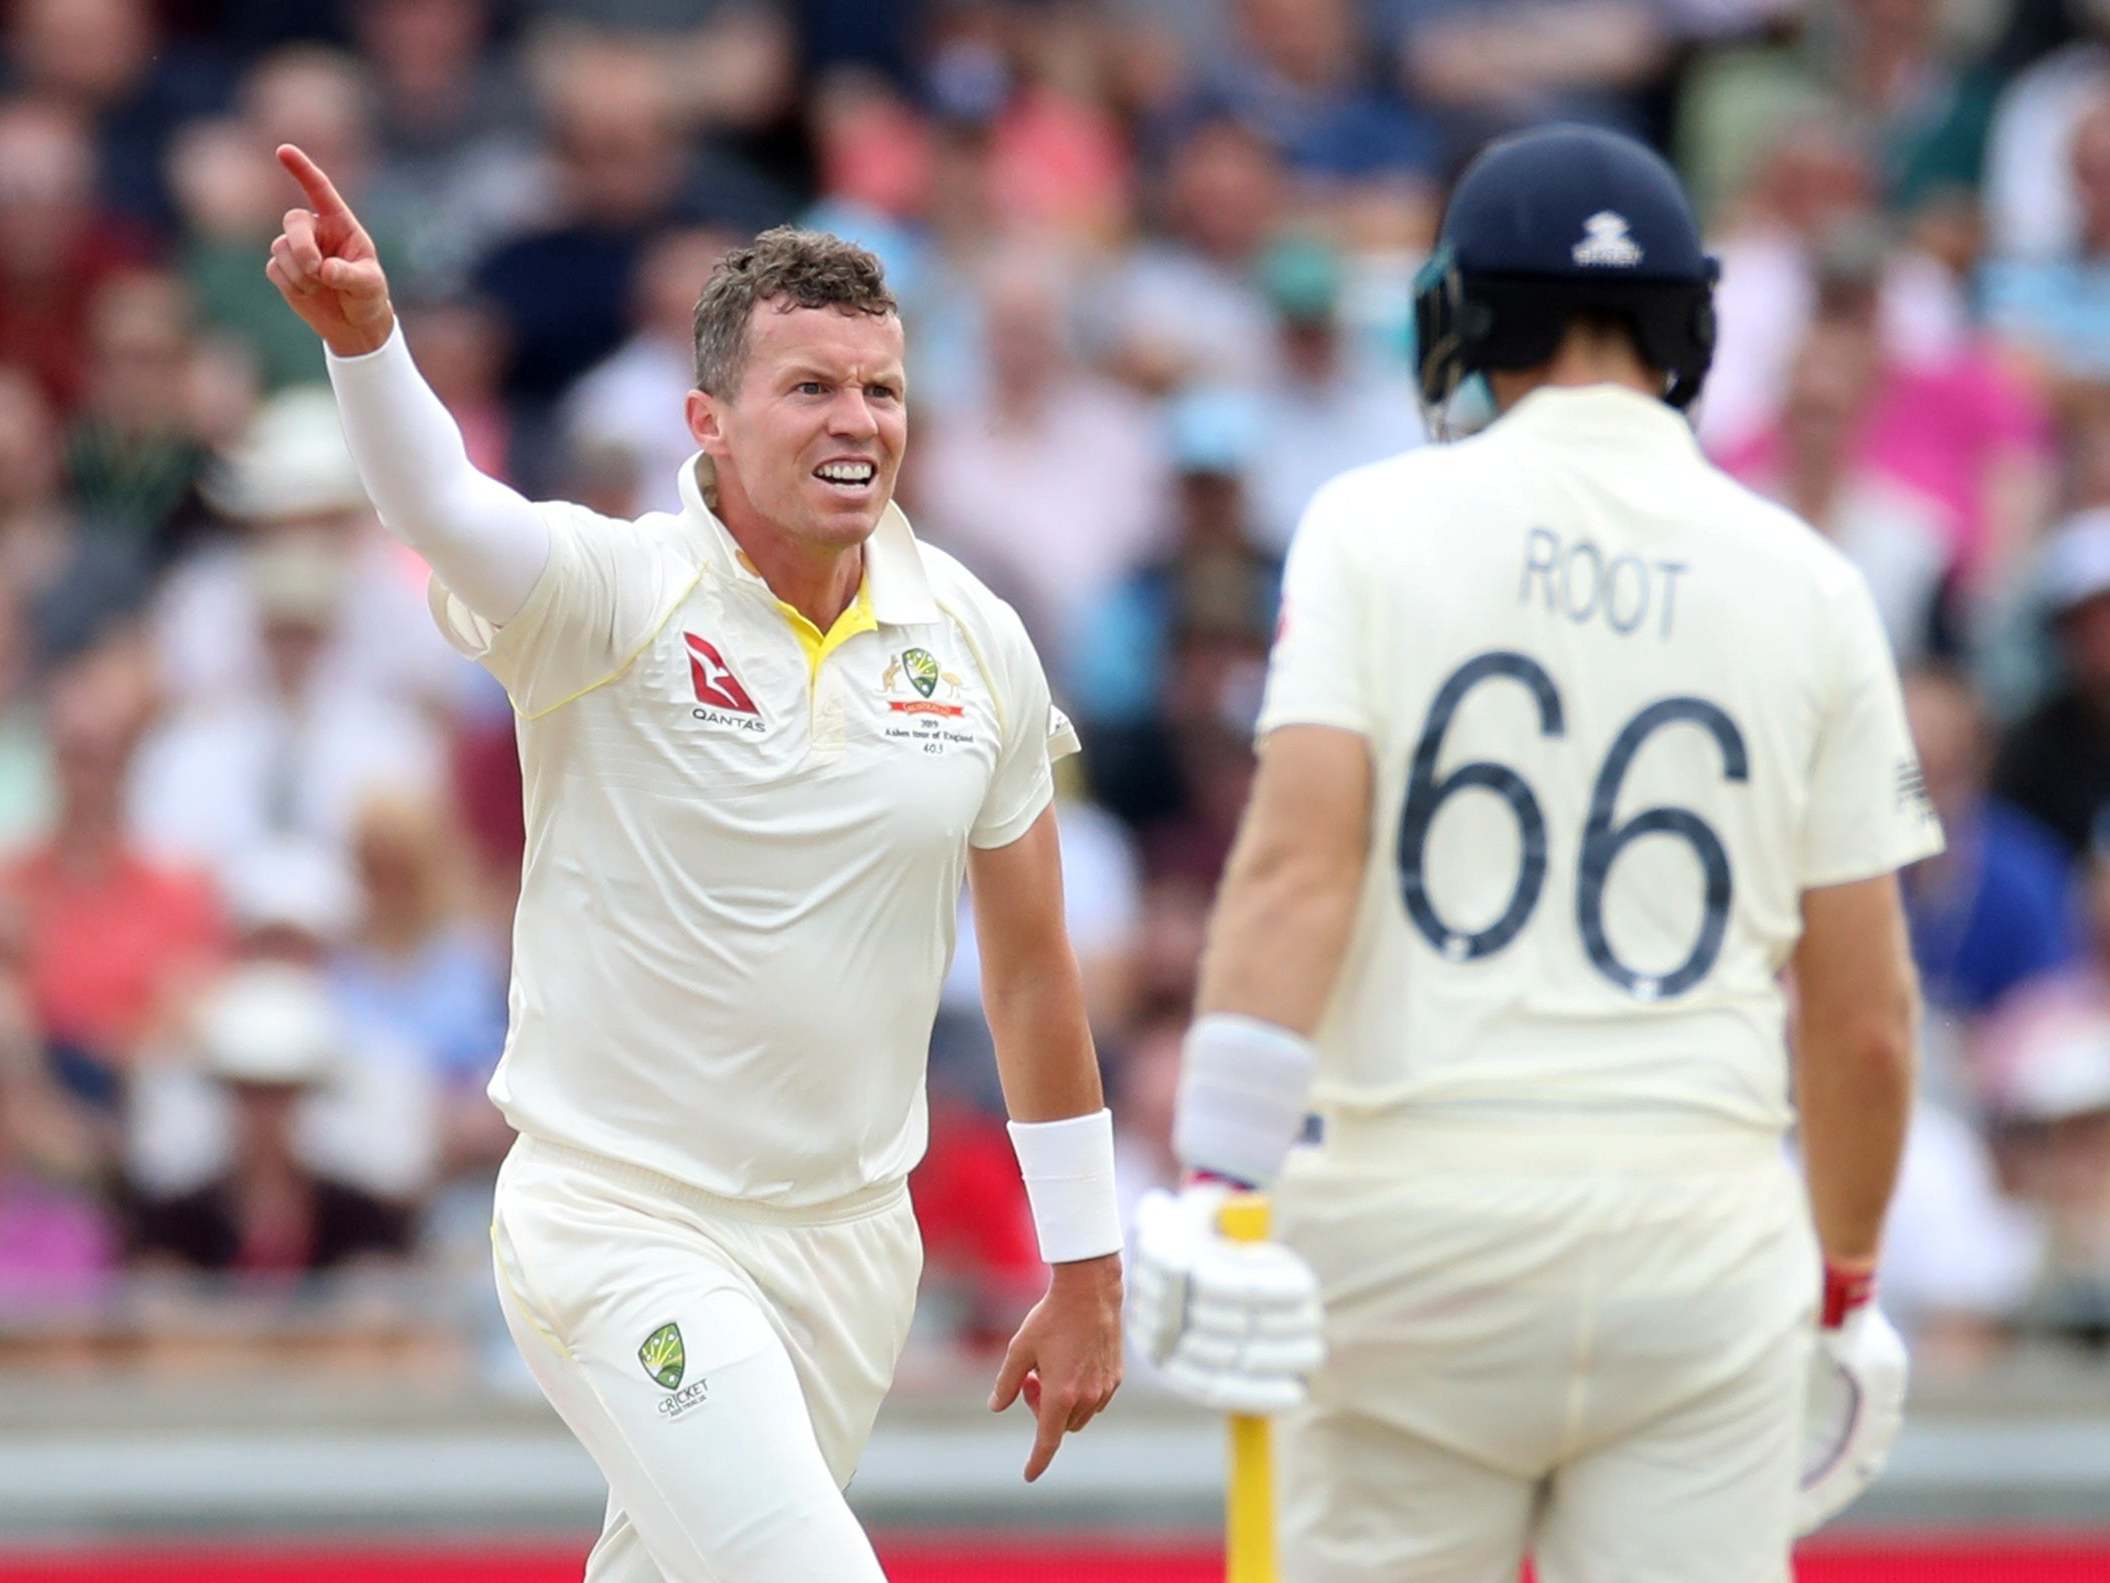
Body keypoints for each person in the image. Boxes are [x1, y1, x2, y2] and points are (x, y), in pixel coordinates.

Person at [263, 145, 1121, 1581]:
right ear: (706, 422)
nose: (857, 422)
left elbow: (1034, 975)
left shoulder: (975, 637)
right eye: (811, 388)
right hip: (619, 1219)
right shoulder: (612, 596)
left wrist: (1086, 1267)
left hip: (850, 1247)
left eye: (882, 389)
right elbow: (442, 510)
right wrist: (370, 343)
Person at [1129, 124, 1942, 1581]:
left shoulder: (1369, 525)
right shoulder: (1812, 581)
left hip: (1412, 1229)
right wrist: (1849, 1278)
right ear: (1683, 324)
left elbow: (1296, 871)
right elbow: (1867, 1020)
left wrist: (1214, 1176)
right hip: (1699, 1241)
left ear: (1461, 314)